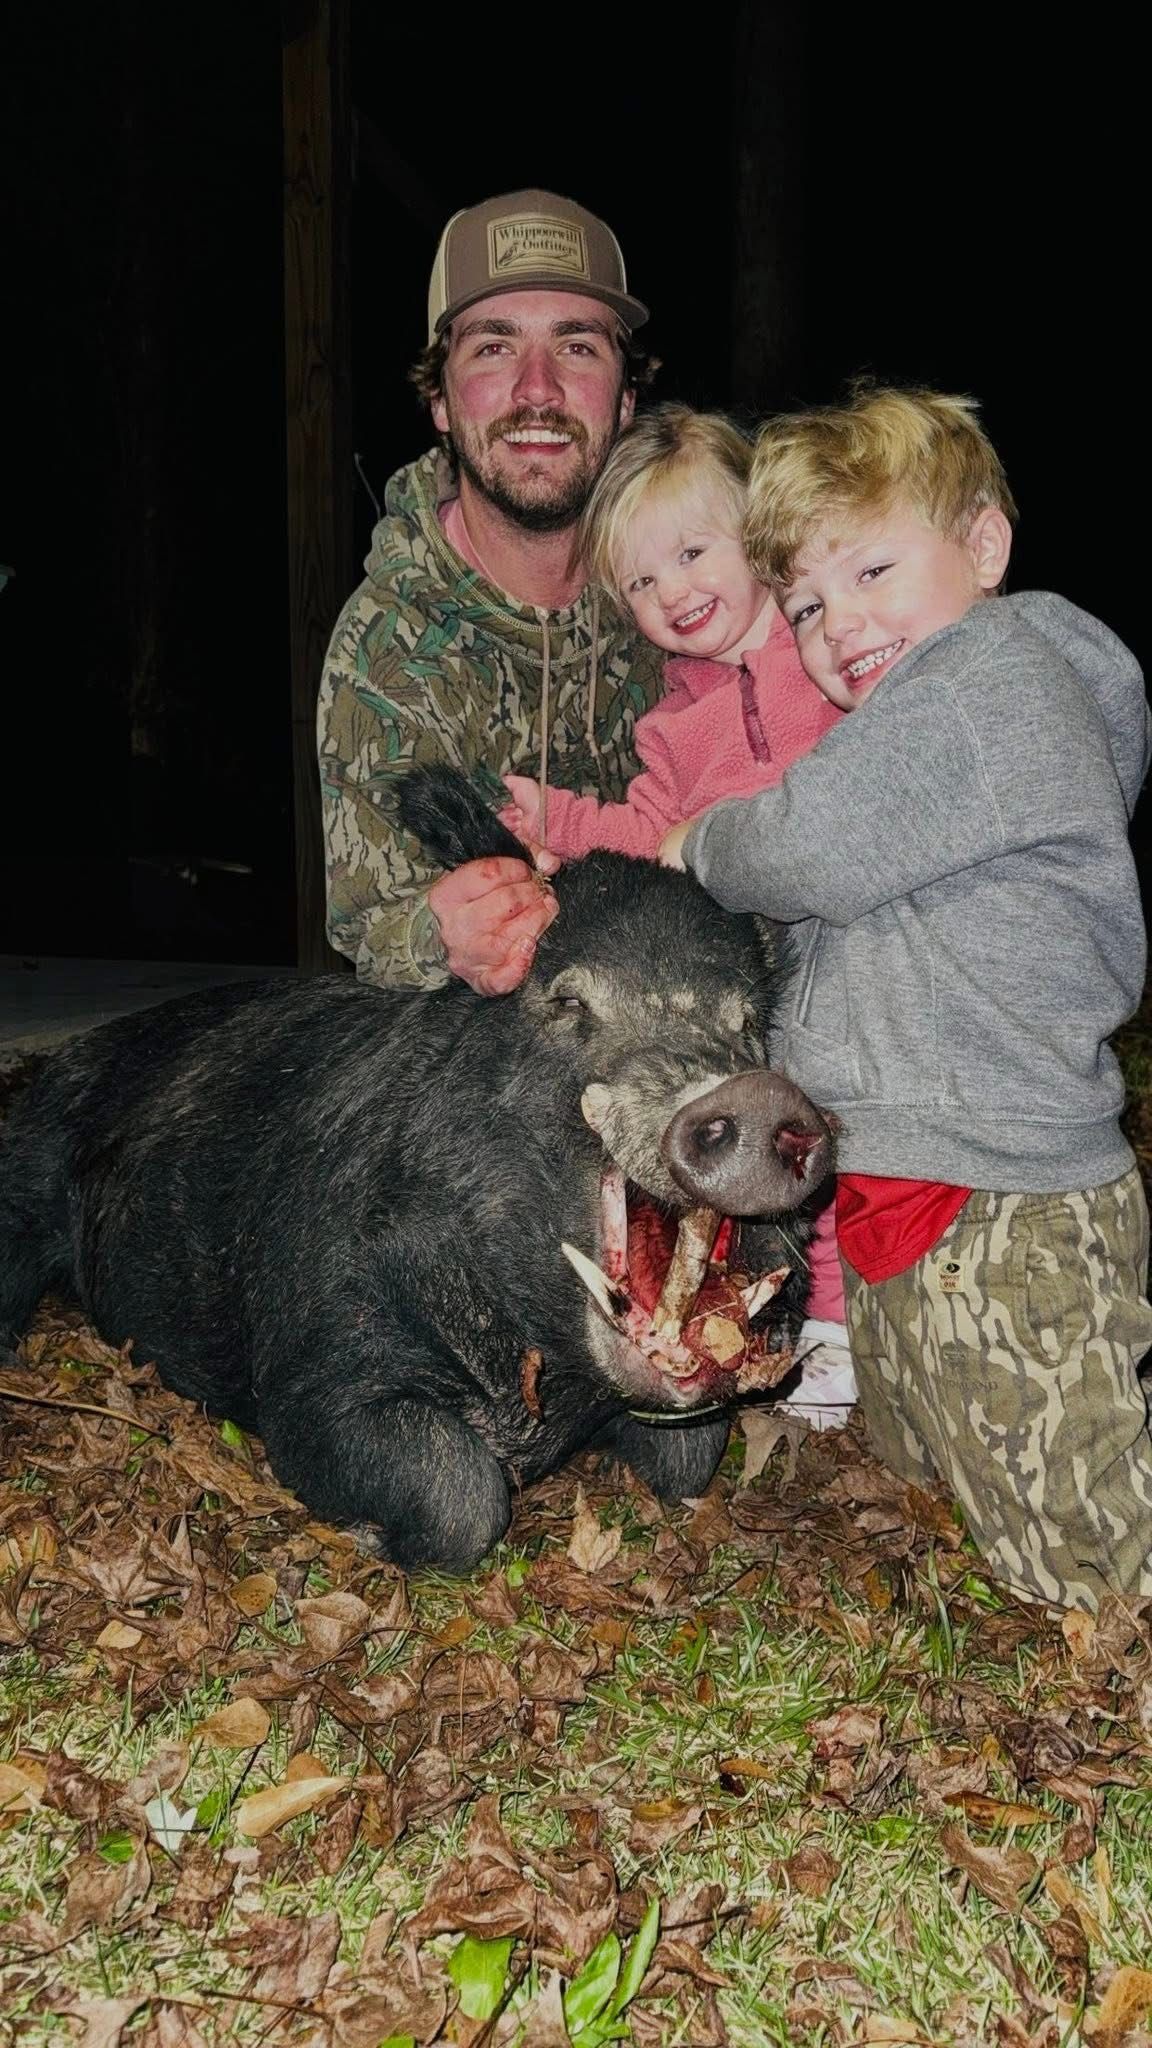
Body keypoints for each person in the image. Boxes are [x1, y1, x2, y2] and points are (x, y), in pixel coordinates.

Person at [662, 385, 1152, 1611]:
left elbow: (805, 846)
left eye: (876, 567)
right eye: (812, 604)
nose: (843, 624)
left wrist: (695, 846)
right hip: (916, 1179)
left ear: (983, 547)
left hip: (1004, 1201)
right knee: (938, 1478)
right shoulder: (934, 725)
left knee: (1093, 1556)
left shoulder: (989, 678)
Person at [501, 404, 856, 1427]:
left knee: (836, 1115)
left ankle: (841, 1312)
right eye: (643, 583)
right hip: (756, 972)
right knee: (795, 1119)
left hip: (849, 942)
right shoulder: (670, 720)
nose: (673, 594)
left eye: (693, 553)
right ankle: (823, 1326)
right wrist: (553, 820)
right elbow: (641, 831)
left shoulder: (824, 655)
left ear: (761, 535)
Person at [317, 189, 664, 994]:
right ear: (439, 398)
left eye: (577, 348)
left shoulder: (696, 589)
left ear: (627, 398)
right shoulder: (387, 652)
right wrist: (438, 935)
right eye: (494, 349)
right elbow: (373, 928)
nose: (537, 390)